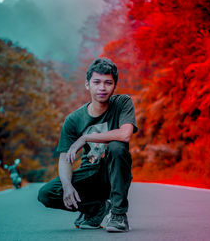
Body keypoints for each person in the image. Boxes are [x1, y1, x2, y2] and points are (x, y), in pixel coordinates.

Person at [38, 58, 137, 232]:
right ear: (87, 85)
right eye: (96, 82)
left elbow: (125, 134)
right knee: (47, 193)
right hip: (89, 173)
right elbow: (64, 159)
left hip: (112, 173)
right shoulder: (74, 119)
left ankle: (118, 214)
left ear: (114, 86)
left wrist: (85, 138)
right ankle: (96, 209)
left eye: (108, 83)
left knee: (117, 146)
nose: (102, 88)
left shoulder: (122, 103)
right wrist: (67, 186)